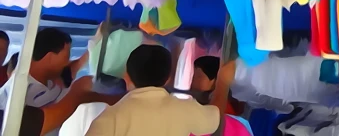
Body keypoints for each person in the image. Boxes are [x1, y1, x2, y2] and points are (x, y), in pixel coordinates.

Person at [85, 44, 236, 136]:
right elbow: (215, 116)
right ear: (167, 79)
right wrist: (222, 82)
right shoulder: (184, 109)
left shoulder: (111, 117)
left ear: (127, 76)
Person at [0, 28, 109, 136]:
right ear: (50, 57)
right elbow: (70, 104)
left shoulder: (52, 81)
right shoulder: (17, 94)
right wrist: (78, 90)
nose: (67, 62)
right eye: (66, 57)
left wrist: (95, 42)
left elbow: (75, 67)